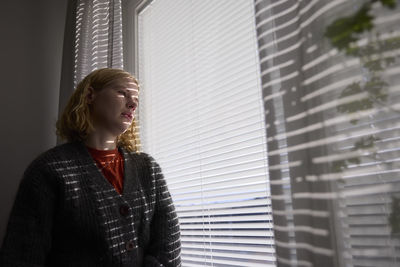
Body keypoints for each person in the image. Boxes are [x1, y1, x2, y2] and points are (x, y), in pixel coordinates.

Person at [0, 68, 182, 266]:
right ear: (89, 95)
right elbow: (22, 255)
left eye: (136, 99)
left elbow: (168, 246)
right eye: (123, 93)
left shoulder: (148, 169)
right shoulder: (49, 170)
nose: (133, 103)